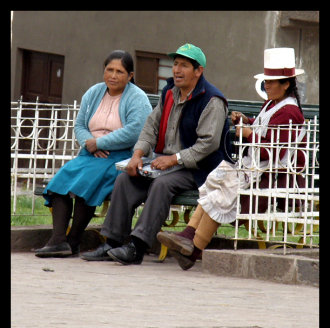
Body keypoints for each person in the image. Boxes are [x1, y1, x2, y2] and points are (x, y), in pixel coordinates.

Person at [81, 43, 232, 264]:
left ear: (198, 71)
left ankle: (136, 247)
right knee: (126, 179)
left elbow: (208, 145)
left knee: (162, 185)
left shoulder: (212, 100)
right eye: (176, 64)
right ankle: (112, 242)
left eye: (184, 66)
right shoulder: (169, 93)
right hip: (164, 163)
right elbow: (150, 126)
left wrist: (174, 159)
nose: (177, 70)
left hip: (197, 168)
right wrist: (138, 154)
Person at [157, 47, 306, 270]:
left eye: (272, 82)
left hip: (272, 174)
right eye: (266, 81)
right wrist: (246, 120)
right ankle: (189, 241)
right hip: (256, 169)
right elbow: (264, 126)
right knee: (218, 181)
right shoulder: (273, 104)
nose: (267, 85)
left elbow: (274, 150)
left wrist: (248, 133)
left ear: (286, 84)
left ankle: (193, 246)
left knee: (224, 188)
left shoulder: (290, 112)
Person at [35, 50, 152, 257]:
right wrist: (89, 144)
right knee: (60, 181)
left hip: (119, 158)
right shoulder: (94, 92)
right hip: (89, 154)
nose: (113, 76)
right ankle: (59, 240)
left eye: (119, 71)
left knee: (86, 184)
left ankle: (74, 240)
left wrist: (99, 142)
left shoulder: (137, 98)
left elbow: (135, 131)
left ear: (130, 76)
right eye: (109, 70)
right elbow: (80, 124)